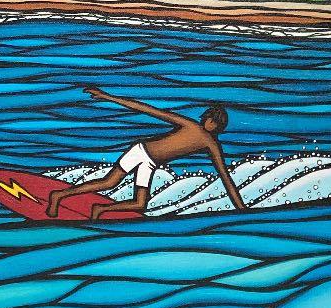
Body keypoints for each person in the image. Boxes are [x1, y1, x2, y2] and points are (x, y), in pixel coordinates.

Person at [47, 85, 247, 219]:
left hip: (150, 163)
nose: (210, 123)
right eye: (210, 118)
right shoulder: (190, 125)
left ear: (218, 126)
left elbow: (226, 178)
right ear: (206, 118)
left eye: (215, 122)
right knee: (109, 182)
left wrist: (242, 210)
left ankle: (100, 209)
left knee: (140, 204)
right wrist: (107, 96)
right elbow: (148, 110)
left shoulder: (212, 145)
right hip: (140, 151)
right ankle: (59, 196)